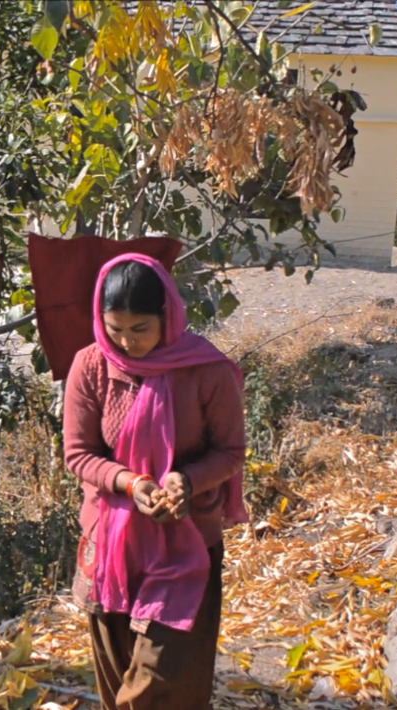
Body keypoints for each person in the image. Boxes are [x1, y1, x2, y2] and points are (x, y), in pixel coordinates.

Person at [63, 254, 247, 710]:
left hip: (184, 544)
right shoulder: (90, 366)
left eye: (140, 329)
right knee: (116, 673)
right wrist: (128, 482)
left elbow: (230, 452)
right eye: (114, 328)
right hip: (110, 544)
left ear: (167, 316)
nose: (126, 342)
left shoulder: (207, 370)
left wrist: (185, 479)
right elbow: (78, 454)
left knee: (162, 681)